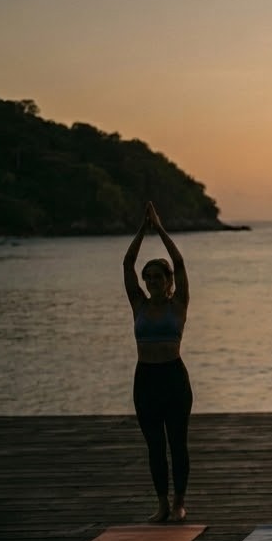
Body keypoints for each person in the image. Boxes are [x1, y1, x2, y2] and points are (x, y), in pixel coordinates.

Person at [123, 201, 192, 522]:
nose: (151, 282)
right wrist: (142, 229)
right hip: (146, 378)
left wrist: (160, 228)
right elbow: (127, 264)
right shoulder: (137, 304)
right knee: (154, 445)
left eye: (157, 277)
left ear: (168, 281)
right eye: (147, 277)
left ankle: (179, 503)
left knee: (177, 442)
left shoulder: (178, 304)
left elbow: (178, 261)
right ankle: (162, 503)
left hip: (173, 378)